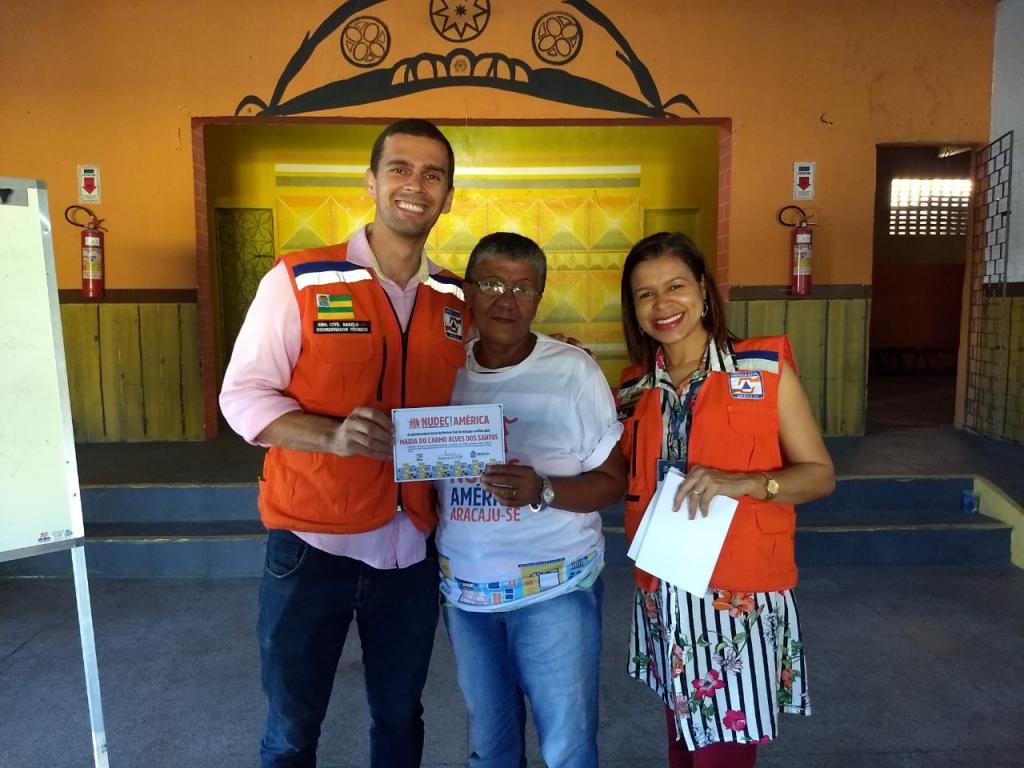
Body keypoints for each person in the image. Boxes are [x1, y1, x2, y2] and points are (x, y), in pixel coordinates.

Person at [219, 119, 466, 768]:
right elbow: (242, 396)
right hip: (311, 547)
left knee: (399, 720)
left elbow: (474, 395)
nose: (415, 185)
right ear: (371, 182)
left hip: (411, 549)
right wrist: (331, 435)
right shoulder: (301, 279)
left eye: (433, 174)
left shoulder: (453, 299)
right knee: (292, 729)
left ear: (448, 196)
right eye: (400, 168)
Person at [616, 232, 835, 767]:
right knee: (681, 746)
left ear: (703, 291)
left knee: (722, 755)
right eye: (645, 294)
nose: (662, 305)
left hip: (737, 599)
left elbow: (820, 476)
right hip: (665, 591)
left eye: (675, 286)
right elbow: (617, 472)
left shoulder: (763, 369)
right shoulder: (633, 388)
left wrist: (749, 483)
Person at [435, 232, 626, 768]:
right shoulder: (442, 368)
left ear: (539, 298)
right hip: (467, 597)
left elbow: (612, 480)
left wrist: (543, 489)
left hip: (555, 590)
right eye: (492, 283)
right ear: (468, 290)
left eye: (523, 288)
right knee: (491, 749)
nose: (507, 300)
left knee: (567, 748)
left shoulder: (572, 370)